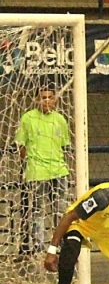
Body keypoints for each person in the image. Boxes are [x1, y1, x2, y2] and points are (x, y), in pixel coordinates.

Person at [15, 86, 71, 256]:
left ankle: (60, 245)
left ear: (55, 100)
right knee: (37, 210)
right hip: (37, 171)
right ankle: (38, 247)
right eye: (43, 97)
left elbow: (64, 146)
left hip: (58, 170)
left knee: (61, 210)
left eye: (50, 97)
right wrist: (30, 163)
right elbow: (21, 146)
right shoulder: (28, 118)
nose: (47, 100)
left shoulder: (60, 119)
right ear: (37, 100)